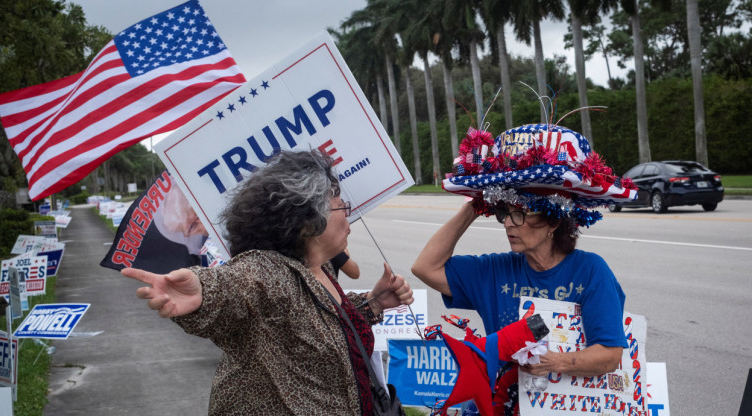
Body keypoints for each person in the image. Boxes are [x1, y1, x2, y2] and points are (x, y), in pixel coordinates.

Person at [122, 150, 414, 416]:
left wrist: (374, 303)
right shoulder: (270, 270)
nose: (348, 216)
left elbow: (317, 327)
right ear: (308, 221)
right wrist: (203, 292)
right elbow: (237, 287)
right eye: (341, 207)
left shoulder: (318, 267)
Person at [411, 123, 638, 415]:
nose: (507, 223)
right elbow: (425, 267)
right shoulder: (495, 269)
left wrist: (554, 362)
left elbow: (609, 355)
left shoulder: (591, 270)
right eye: (504, 212)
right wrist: (478, 201)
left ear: (554, 222)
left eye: (519, 214)